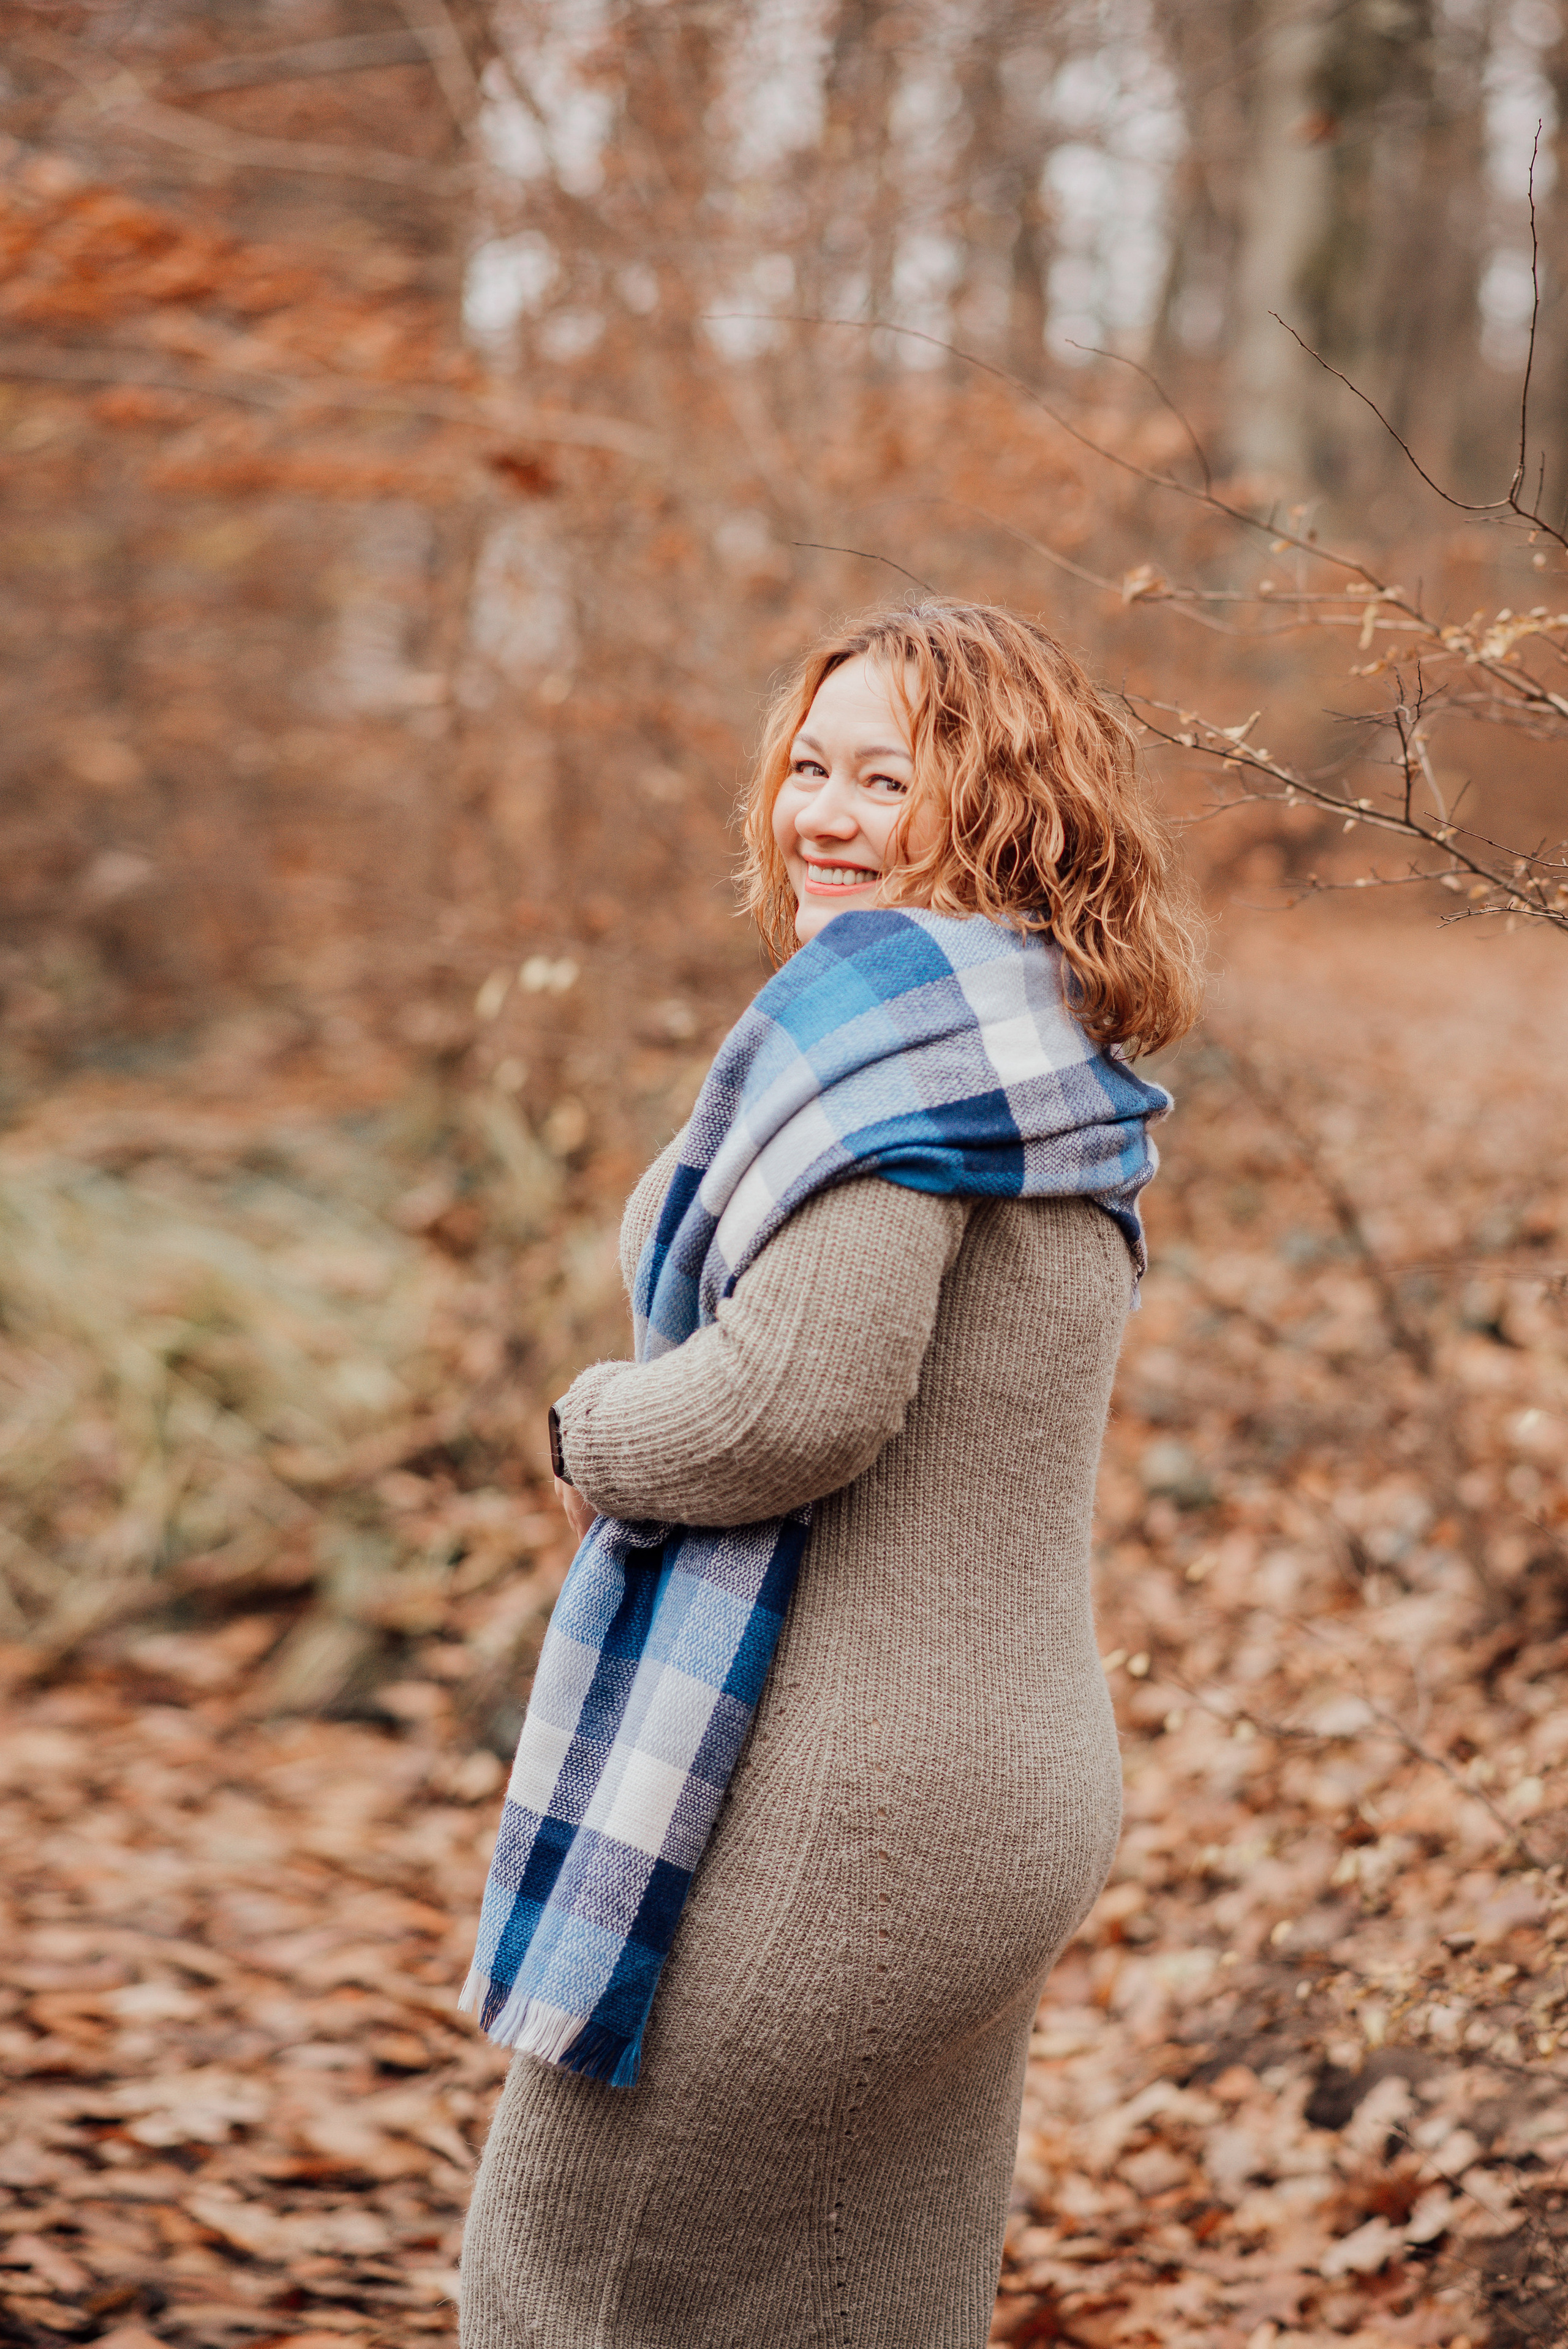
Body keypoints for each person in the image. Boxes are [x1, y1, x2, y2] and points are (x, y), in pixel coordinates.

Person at [459, 601, 1202, 2349]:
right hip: (1003, 1791)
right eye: (811, 764)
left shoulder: (899, 1044)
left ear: (1004, 815)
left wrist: (586, 1430)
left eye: (893, 777)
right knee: (859, 2302)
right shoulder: (1043, 1057)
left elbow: (795, 1404)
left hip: (858, 1803)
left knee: (564, 2272)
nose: (826, 812)